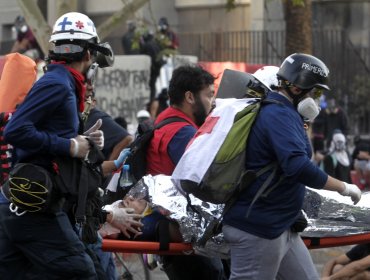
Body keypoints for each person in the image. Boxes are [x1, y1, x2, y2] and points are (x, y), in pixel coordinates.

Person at [0, 12, 142, 279]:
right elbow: (16, 130)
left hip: (25, 203)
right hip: (33, 208)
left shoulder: (62, 82)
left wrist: (85, 140)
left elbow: (45, 134)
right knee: (82, 272)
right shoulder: (57, 84)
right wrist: (69, 146)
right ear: (88, 54)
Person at [222, 53, 362, 280]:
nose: (317, 101)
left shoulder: (287, 114)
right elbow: (299, 167)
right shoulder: (278, 114)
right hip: (259, 228)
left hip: (282, 225)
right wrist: (344, 187)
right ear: (296, 89)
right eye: (315, 93)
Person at [145, 65, 224, 280]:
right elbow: (210, 181)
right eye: (209, 95)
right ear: (190, 97)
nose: (213, 103)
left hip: (174, 228)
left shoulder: (164, 121)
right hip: (185, 233)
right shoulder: (183, 133)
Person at [85, 85, 133, 160]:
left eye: (85, 99)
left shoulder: (97, 117)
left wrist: (109, 166)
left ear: (93, 102)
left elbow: (127, 139)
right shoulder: (82, 118)